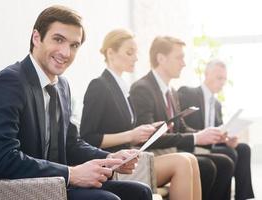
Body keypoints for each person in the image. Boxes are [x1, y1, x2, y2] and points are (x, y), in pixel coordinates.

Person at [0, 5, 153, 200]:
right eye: (58, 40)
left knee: (140, 192)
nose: (66, 53)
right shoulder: (9, 82)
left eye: (74, 45)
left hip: (53, 182)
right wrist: (72, 174)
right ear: (36, 38)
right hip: (14, 188)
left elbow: (71, 143)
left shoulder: (62, 85)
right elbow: (1, 159)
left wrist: (109, 158)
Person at [80, 29, 201, 200]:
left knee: (190, 159)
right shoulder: (99, 86)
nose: (135, 58)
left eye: (136, 53)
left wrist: (145, 131)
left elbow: (125, 131)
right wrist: (131, 135)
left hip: (129, 158)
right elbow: (88, 137)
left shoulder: (122, 88)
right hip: (113, 164)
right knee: (182, 162)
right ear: (111, 53)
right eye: (129, 53)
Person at [130, 36, 235, 200]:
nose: (184, 63)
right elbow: (148, 137)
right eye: (179, 57)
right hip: (155, 154)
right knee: (208, 166)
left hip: (173, 149)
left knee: (225, 162)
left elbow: (181, 127)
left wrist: (205, 134)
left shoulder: (171, 90)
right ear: (161, 59)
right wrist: (195, 137)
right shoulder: (142, 88)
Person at [178, 59, 255, 200]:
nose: (222, 82)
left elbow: (220, 130)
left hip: (210, 146)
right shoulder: (188, 93)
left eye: (224, 79)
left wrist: (227, 139)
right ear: (207, 74)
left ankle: (243, 197)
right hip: (193, 143)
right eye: (219, 78)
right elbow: (180, 126)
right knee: (229, 154)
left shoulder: (217, 104)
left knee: (243, 148)